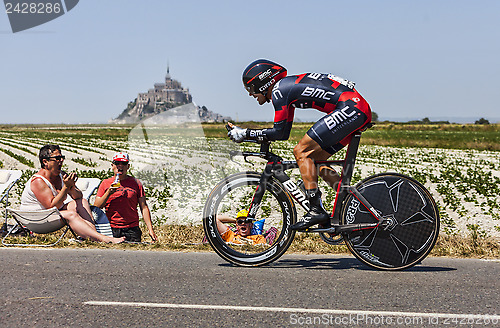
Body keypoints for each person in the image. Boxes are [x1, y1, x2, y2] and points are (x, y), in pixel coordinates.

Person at [228, 59, 372, 230]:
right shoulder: (286, 87)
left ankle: (316, 210)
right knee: (316, 161)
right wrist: (251, 135)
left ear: (263, 82)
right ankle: (354, 205)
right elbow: (282, 132)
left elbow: (280, 133)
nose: (250, 94)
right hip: (356, 108)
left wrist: (245, 133)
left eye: (251, 89)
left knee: (301, 151)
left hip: (351, 108)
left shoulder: (279, 91)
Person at [20, 145, 125, 244]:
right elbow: (51, 206)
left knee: (82, 202)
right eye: (57, 158)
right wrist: (65, 188)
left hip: (50, 214)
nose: (61, 160)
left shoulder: (61, 175)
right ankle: (103, 238)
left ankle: (93, 236)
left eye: (62, 157)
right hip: (35, 219)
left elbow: (79, 196)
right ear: (45, 162)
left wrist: (71, 186)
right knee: (71, 214)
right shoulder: (38, 181)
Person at [94, 152, 158, 242]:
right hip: (110, 227)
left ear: (128, 166)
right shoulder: (105, 183)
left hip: (131, 228)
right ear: (112, 166)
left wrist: (150, 230)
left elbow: (143, 207)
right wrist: (108, 193)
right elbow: (96, 206)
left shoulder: (136, 183)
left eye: (123, 164)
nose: (120, 166)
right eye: (117, 163)